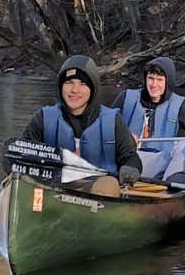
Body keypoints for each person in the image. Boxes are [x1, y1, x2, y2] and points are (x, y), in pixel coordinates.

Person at [20, 55, 142, 197]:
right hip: (53, 188)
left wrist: (131, 168)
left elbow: (131, 157)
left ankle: (93, 216)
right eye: (69, 82)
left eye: (83, 84)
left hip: (97, 189)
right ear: (60, 86)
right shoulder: (42, 118)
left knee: (109, 183)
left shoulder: (113, 120)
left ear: (92, 89)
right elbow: (21, 155)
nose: (75, 90)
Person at [110, 56, 185, 180]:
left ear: (168, 81)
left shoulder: (182, 105)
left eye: (160, 80)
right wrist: (122, 137)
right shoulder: (126, 97)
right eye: (150, 78)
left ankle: (169, 186)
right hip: (127, 162)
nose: (154, 84)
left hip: (158, 165)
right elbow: (105, 129)